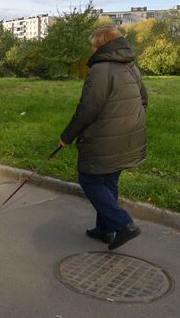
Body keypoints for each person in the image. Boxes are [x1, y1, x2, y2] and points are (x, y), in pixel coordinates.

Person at [59, 25, 147, 250]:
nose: (91, 48)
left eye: (93, 44)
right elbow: (143, 100)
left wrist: (66, 137)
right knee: (108, 182)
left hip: (104, 138)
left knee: (89, 179)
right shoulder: (131, 67)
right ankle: (105, 229)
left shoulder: (100, 70)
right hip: (128, 137)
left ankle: (124, 224)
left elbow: (88, 109)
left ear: (103, 44)